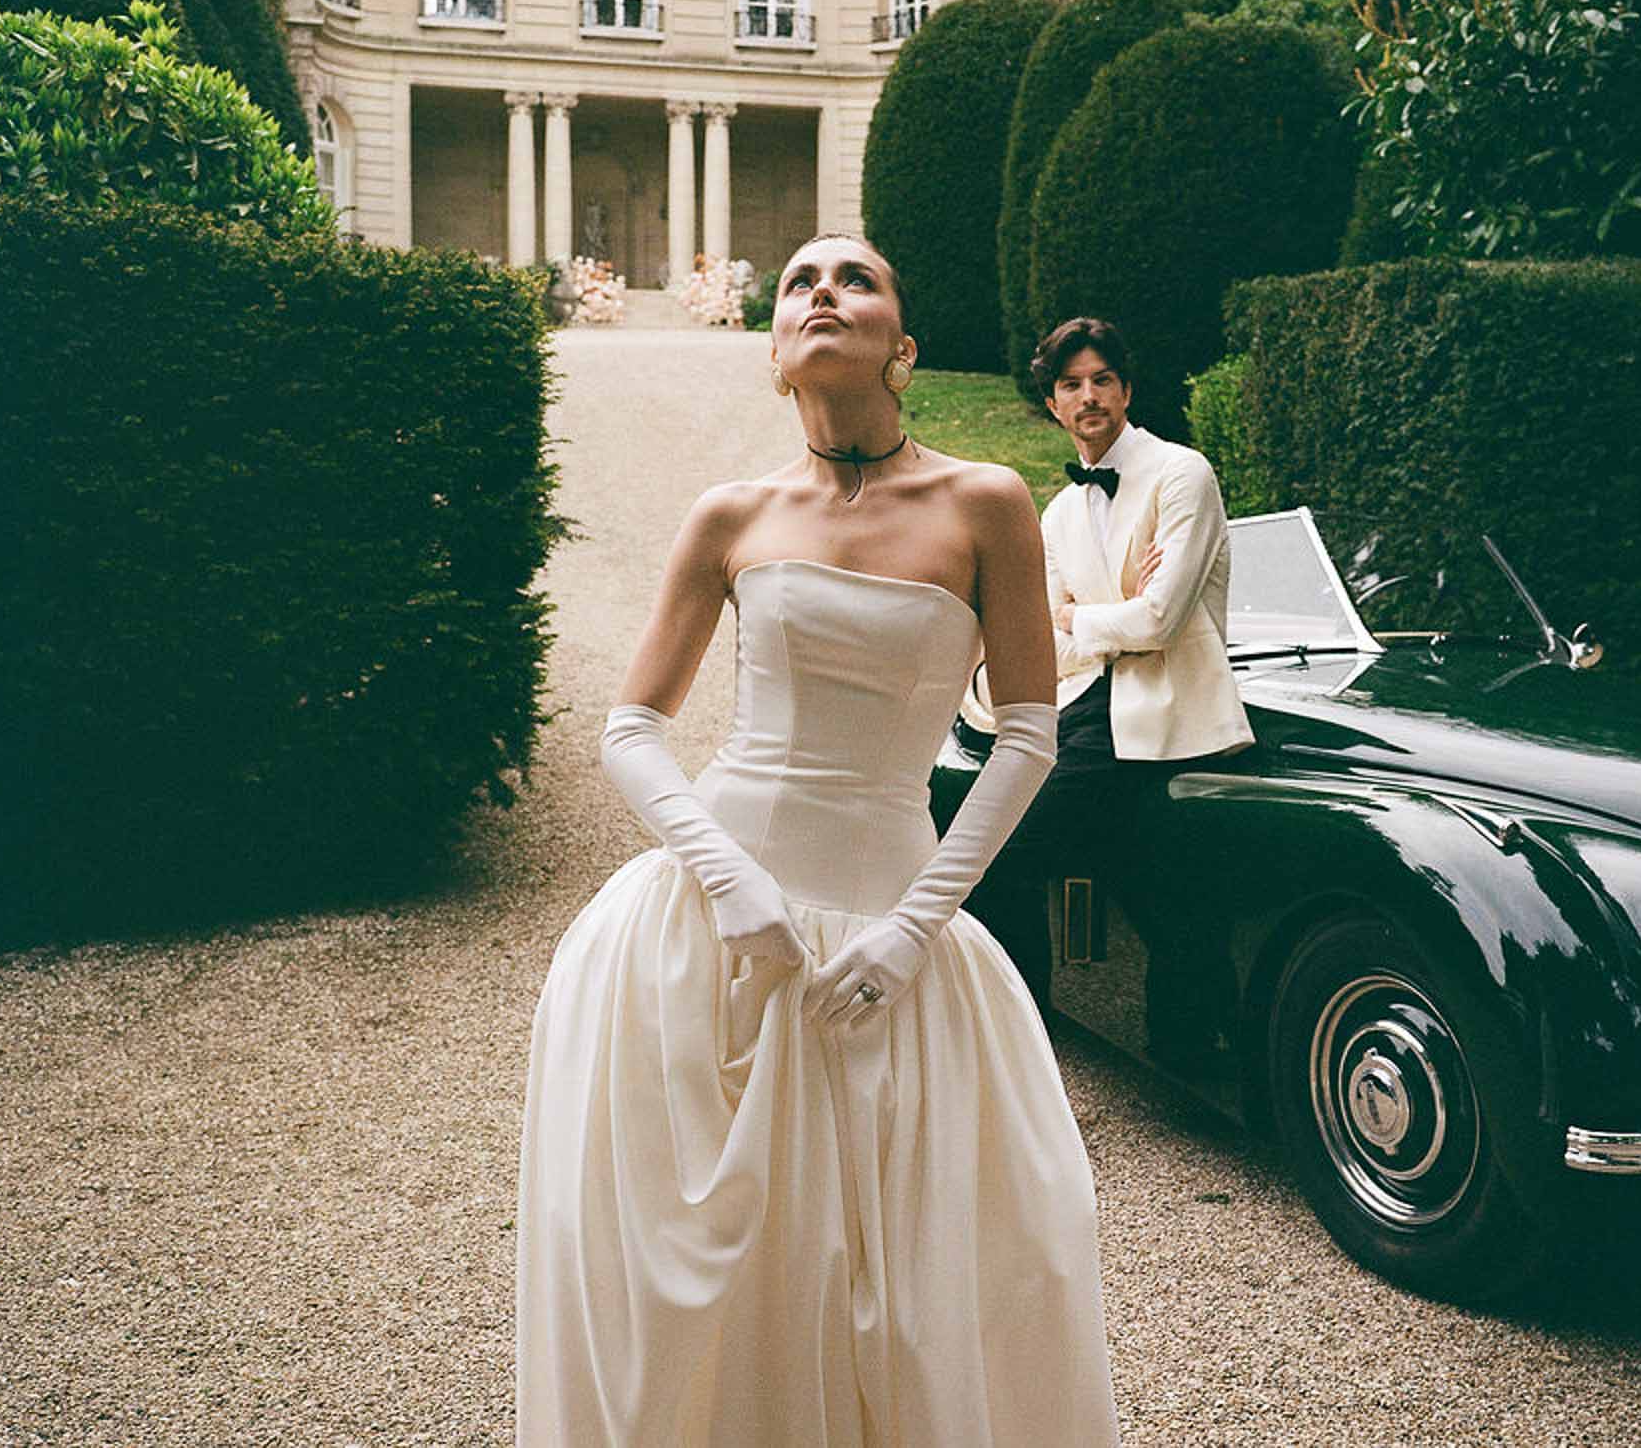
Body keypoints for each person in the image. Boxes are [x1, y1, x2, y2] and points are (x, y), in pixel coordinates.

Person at [516, 235, 1120, 1447]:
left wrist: (915, 927)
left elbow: (1027, 735)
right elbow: (631, 727)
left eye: (856, 279)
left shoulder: (986, 503)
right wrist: (724, 875)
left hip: (891, 941)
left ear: (903, 346)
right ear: (777, 350)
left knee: (913, 1285)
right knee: (707, 1279)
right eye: (799, 281)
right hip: (709, 936)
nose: (823, 292)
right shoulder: (730, 514)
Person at [963, 317, 1254, 1075]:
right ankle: (1025, 1034)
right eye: (1071, 385)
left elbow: (1160, 621)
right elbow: (1045, 643)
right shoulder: (1058, 512)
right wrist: (1101, 618)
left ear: (1126, 390)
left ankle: (1063, 1041)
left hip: (1171, 714)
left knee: (1012, 851)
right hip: (1091, 709)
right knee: (1021, 855)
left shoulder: (1182, 473)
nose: (1087, 396)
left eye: (1101, 380)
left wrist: (1081, 617)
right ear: (1053, 403)